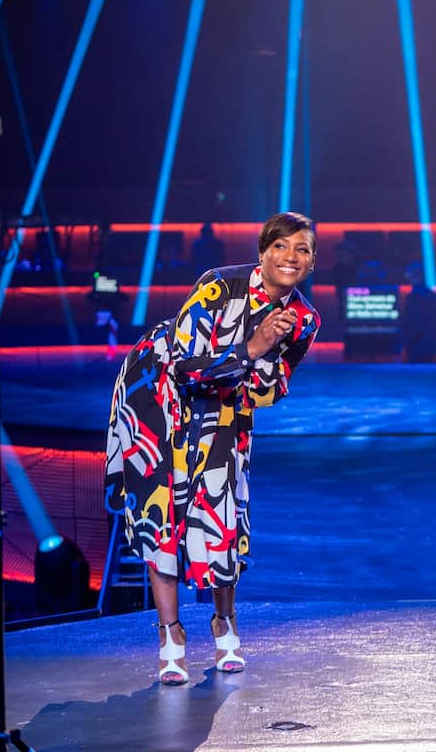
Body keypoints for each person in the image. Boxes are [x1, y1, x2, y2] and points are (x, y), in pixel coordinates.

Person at [105, 212, 320, 685]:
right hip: (158, 397)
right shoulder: (219, 287)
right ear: (262, 252)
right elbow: (185, 366)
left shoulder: (304, 320)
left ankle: (225, 624)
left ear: (312, 262)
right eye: (280, 247)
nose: (290, 257)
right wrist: (253, 345)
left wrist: (266, 353)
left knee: (221, 513)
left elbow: (270, 393)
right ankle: (170, 635)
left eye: (301, 250)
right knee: (160, 515)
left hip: (225, 408)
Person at [399, 261, 436, 363]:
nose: (405, 276)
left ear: (412, 275)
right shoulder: (435, 296)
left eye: (407, 273)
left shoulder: (412, 297)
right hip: (432, 347)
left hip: (416, 348)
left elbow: (414, 324)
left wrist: (405, 343)